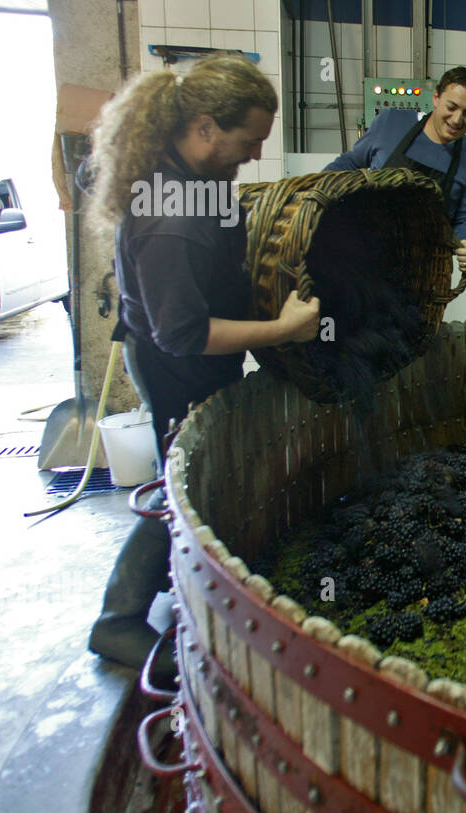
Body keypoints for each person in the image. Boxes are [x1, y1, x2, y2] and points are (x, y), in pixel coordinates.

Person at [86, 56, 320, 680]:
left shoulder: (200, 180)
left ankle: (177, 575)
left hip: (191, 353)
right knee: (179, 481)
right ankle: (118, 621)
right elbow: (185, 333)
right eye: (249, 142)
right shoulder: (171, 216)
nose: (252, 155)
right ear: (208, 127)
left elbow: (235, 251)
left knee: (195, 470)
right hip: (172, 364)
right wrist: (283, 330)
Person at [324, 66, 466, 276]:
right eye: (451, 107)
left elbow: (464, 220)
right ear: (436, 98)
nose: (457, 119)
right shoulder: (392, 122)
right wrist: (316, 192)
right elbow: (350, 163)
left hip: (417, 273)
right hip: (360, 254)